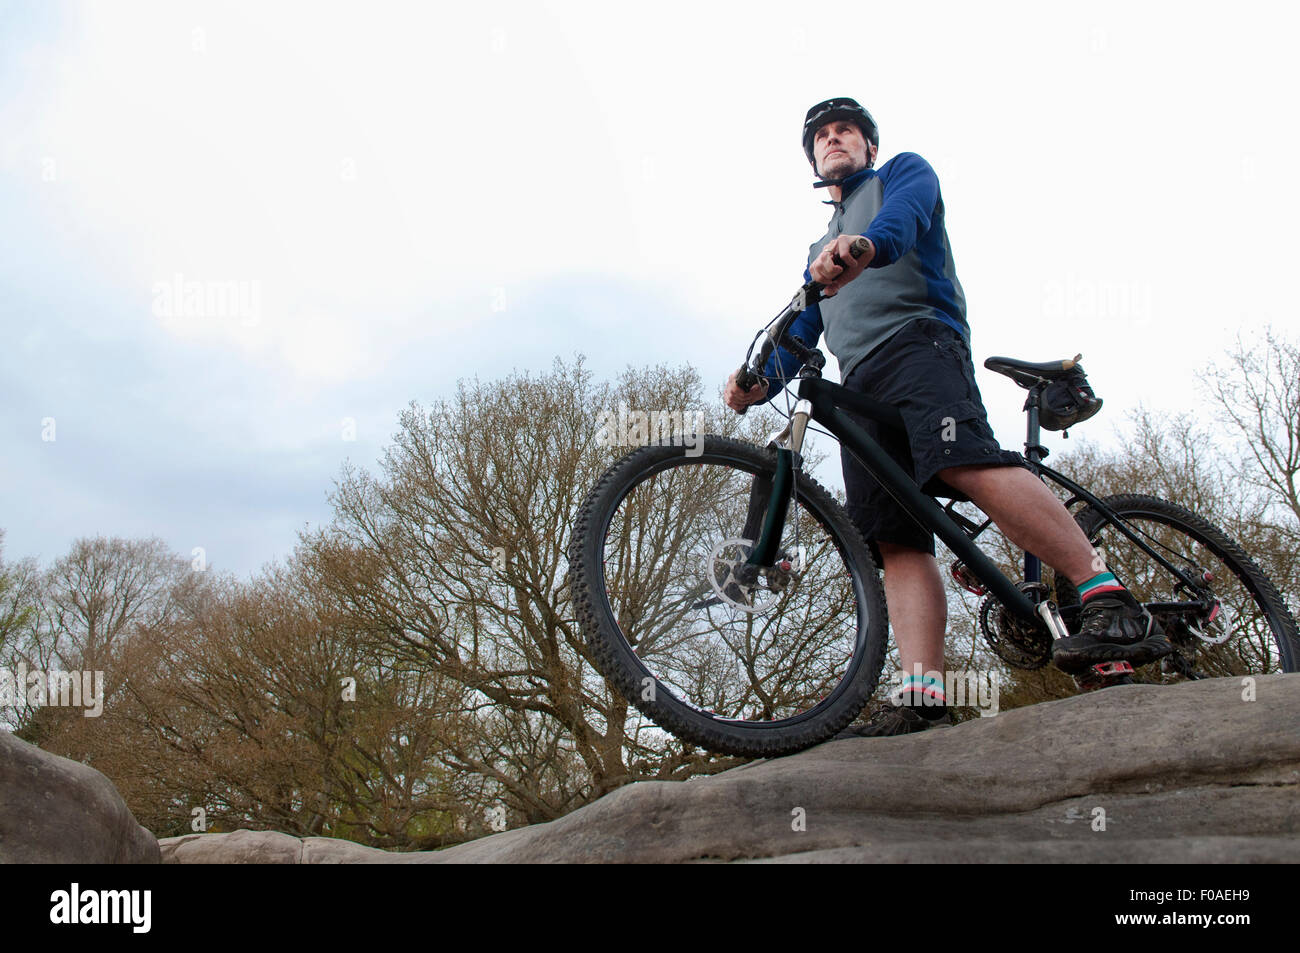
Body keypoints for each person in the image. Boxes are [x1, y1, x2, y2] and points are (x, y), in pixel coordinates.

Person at [722, 97, 1171, 736]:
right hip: (862, 380)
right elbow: (800, 331)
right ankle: (923, 697)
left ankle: (1106, 597)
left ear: (868, 146)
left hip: (920, 344)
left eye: (845, 130)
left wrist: (865, 244)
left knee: (963, 462)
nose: (833, 139)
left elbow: (902, 223)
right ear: (814, 160)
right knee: (896, 538)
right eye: (821, 136)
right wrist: (756, 381)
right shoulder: (821, 248)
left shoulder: (902, 175)